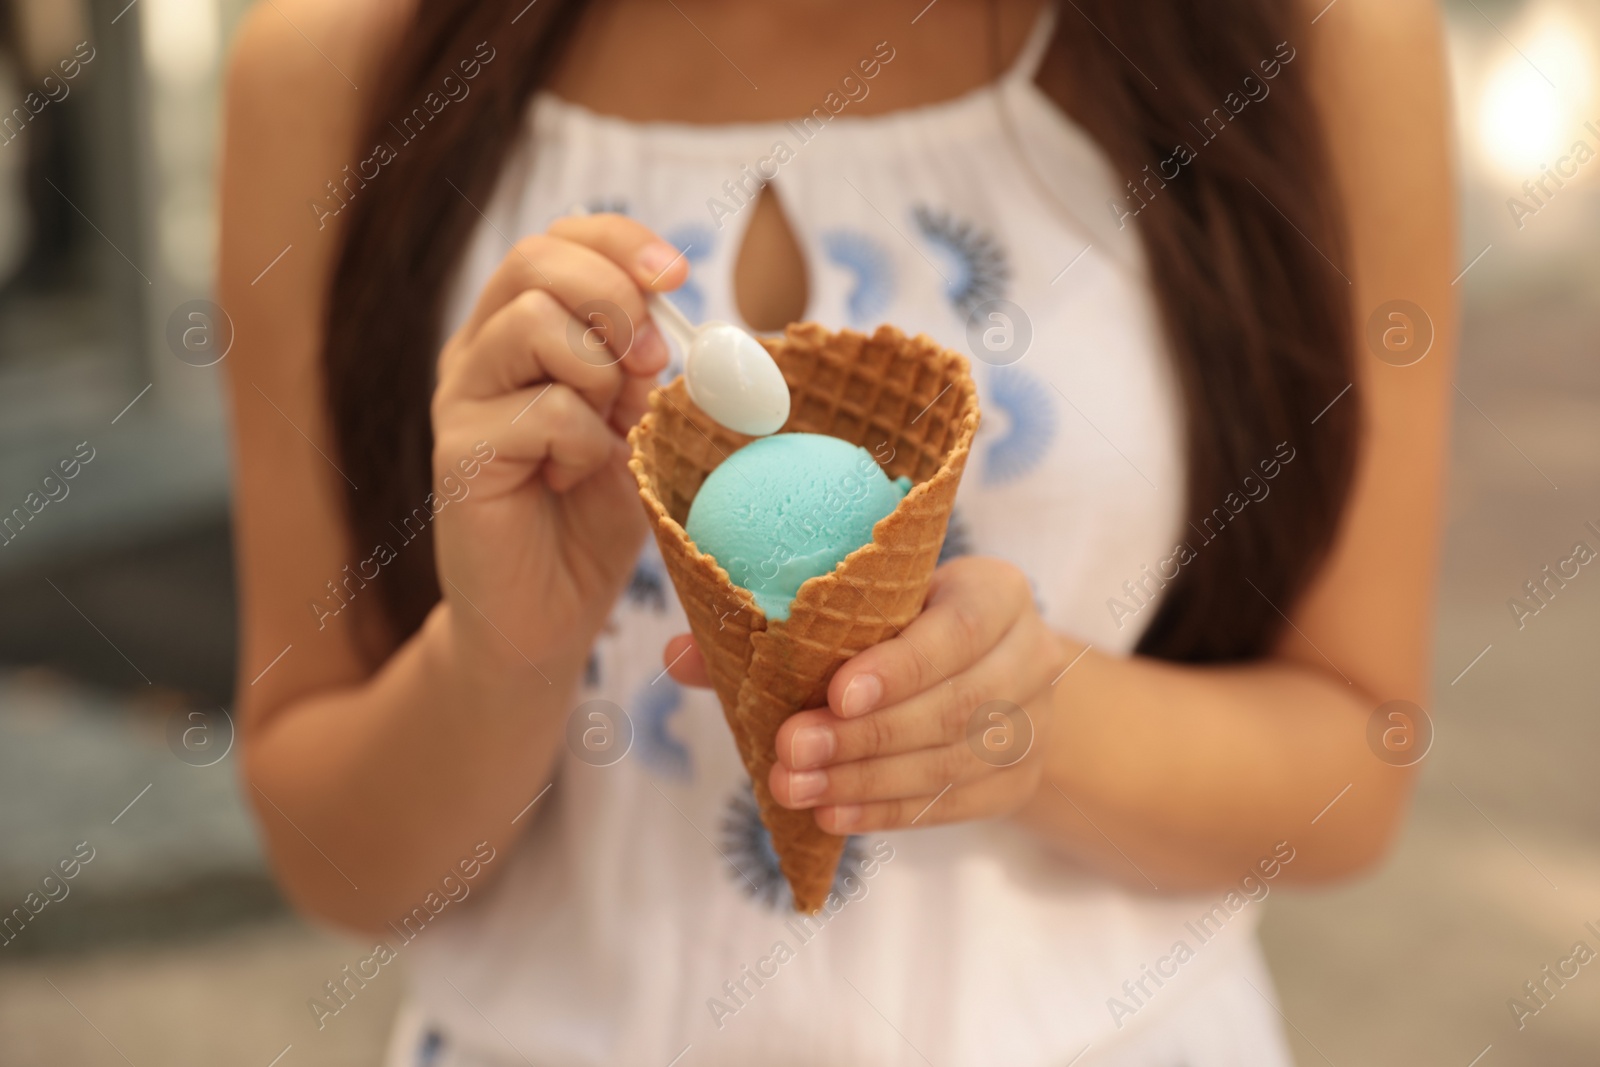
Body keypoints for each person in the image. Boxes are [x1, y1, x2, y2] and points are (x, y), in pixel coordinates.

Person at [219, 0, 1455, 1062]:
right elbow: (338, 860)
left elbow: (1353, 766)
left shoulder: (1314, 38)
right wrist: (504, 656)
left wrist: (1037, 723)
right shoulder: (335, 67)